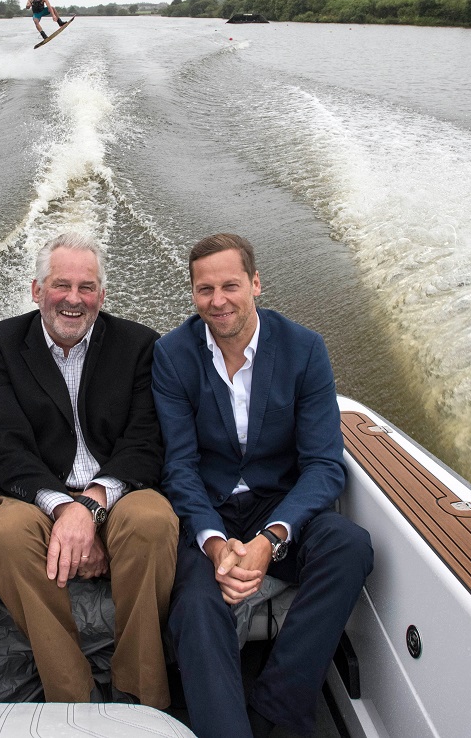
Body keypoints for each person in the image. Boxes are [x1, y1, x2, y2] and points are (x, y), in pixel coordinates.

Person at [152, 233, 374, 738]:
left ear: (256, 284)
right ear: (192, 294)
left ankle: (279, 704)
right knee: (196, 605)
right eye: (204, 289)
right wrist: (213, 544)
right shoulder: (172, 355)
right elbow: (180, 467)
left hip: (279, 504)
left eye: (230, 285)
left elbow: (323, 464)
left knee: (349, 545)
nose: (218, 300)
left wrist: (270, 539)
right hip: (208, 511)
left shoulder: (304, 349)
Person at [0, 232, 179, 709]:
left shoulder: (138, 345)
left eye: (86, 287)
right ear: (36, 290)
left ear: (102, 295)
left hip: (119, 491)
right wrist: (66, 509)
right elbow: (6, 446)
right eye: (60, 285)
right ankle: (73, 696)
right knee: (4, 535)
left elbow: (144, 441)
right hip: (35, 495)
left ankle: (140, 694)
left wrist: (90, 506)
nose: (73, 299)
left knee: (154, 524)